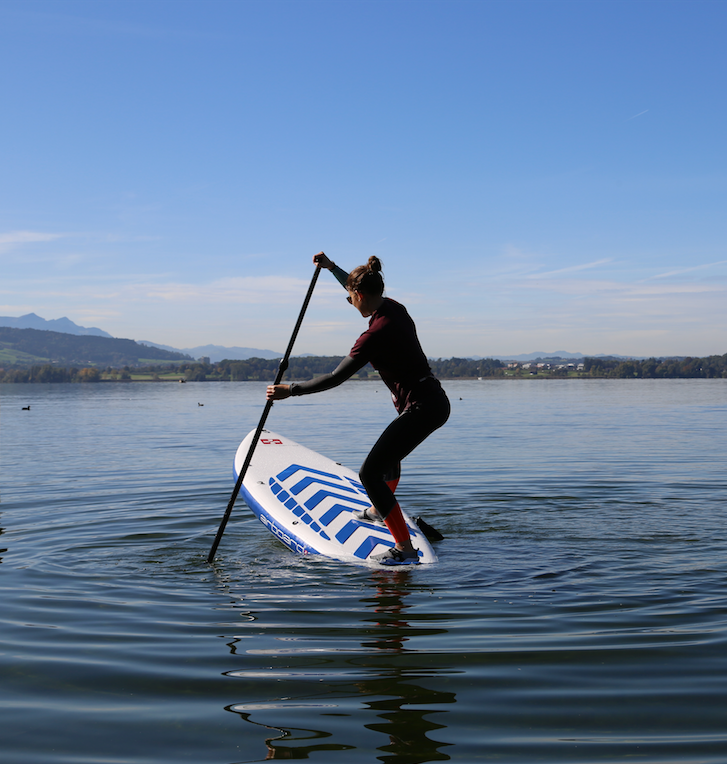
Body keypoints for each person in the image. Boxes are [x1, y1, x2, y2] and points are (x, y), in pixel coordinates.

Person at [267, 252, 450, 565]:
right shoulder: (394, 308)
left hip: (423, 407)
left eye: (350, 298)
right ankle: (380, 510)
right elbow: (358, 287)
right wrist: (333, 269)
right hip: (431, 402)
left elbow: (336, 377)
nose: (350, 303)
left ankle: (404, 550)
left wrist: (291, 390)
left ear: (359, 295)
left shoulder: (374, 335)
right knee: (388, 459)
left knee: (369, 473)